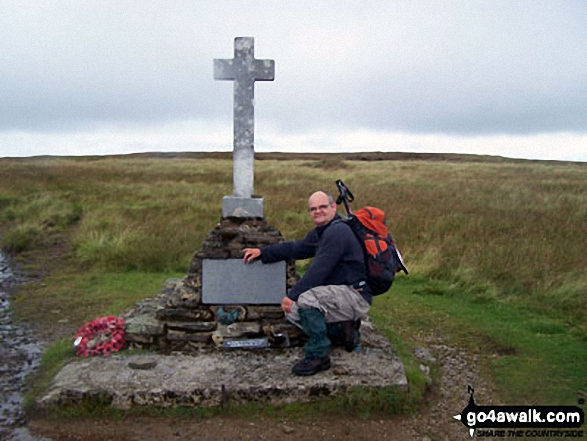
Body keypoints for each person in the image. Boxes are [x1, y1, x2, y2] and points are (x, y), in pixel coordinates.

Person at [243, 191, 371, 376]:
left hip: (355, 294)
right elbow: (297, 248)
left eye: (322, 207)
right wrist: (263, 252)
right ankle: (343, 332)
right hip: (340, 294)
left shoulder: (338, 231)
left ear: (333, 207)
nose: (317, 212)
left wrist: (291, 295)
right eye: (313, 209)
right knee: (293, 311)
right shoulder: (323, 231)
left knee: (305, 301)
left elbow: (319, 270)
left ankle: (318, 355)